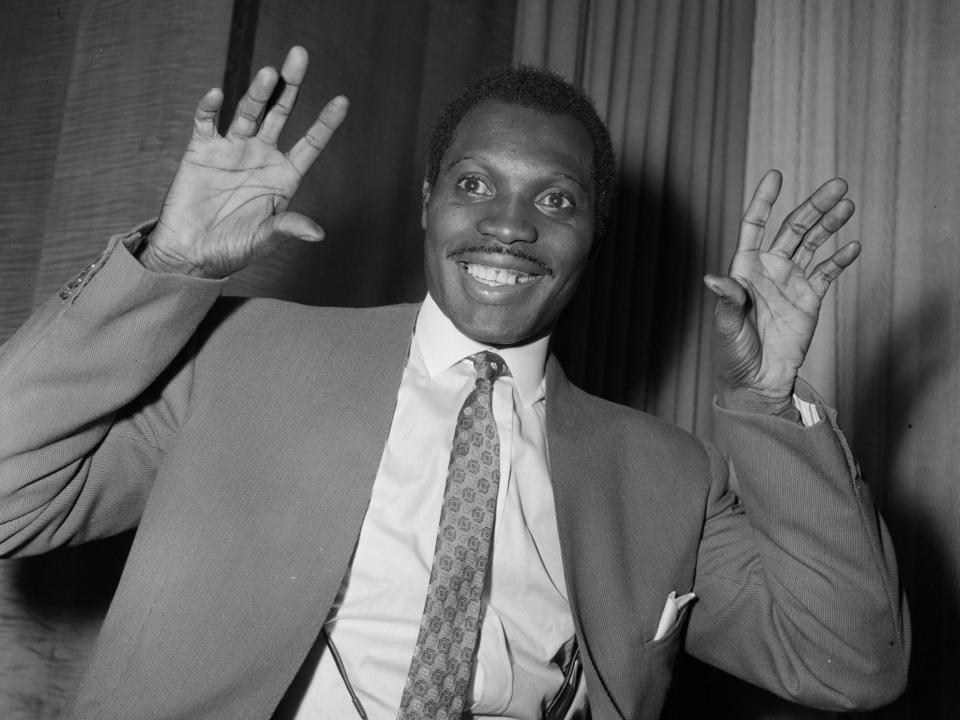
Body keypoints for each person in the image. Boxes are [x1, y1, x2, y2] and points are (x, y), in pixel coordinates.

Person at [0, 46, 908, 720]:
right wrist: (169, 264)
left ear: (595, 234)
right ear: (427, 201)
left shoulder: (667, 475)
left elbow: (849, 664)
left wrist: (770, 396)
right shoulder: (245, 358)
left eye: (556, 200)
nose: (509, 226)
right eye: (475, 185)